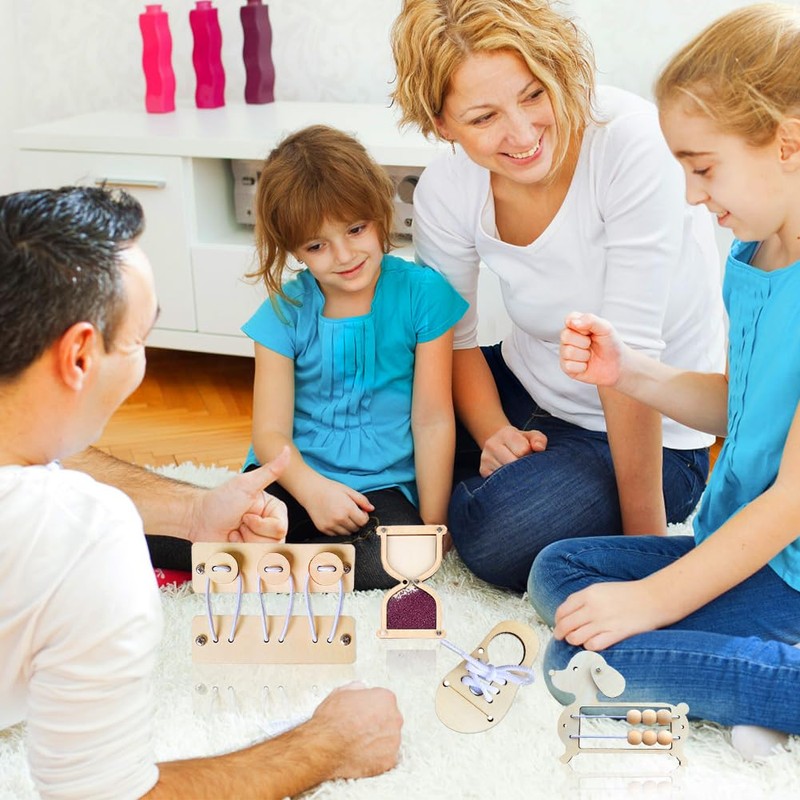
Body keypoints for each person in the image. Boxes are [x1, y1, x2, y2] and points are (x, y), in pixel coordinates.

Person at [0, 185, 403, 799]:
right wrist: (329, 743)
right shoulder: (86, 539)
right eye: (139, 340)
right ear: (79, 354)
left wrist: (193, 512)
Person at [529, 2, 800, 758]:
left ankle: (772, 678)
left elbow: (791, 503)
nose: (690, 195)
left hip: (789, 565)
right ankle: (742, 670)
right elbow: (741, 410)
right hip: (746, 549)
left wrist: (652, 601)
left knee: (577, 661)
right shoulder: (755, 256)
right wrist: (630, 372)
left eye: (703, 168)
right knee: (560, 570)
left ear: (788, 143)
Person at [390, 0, 726, 591]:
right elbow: (454, 340)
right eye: (483, 117)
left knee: (499, 535)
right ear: (442, 124)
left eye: (533, 94)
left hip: (654, 432)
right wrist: (494, 431)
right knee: (368, 398)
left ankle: (435, 496)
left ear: (558, 69)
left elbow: (629, 359)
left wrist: (642, 554)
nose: (522, 134)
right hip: (526, 388)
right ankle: (454, 484)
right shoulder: (447, 188)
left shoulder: (630, 143)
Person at [241, 124, 468, 590]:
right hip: (294, 475)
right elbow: (269, 434)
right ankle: (233, 550)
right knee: (234, 519)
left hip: (382, 486)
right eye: (316, 246)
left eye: (356, 229)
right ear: (293, 250)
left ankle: (252, 564)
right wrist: (312, 491)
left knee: (397, 562)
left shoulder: (423, 295)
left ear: (380, 213)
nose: (344, 255)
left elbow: (432, 420)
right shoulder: (284, 312)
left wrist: (434, 525)